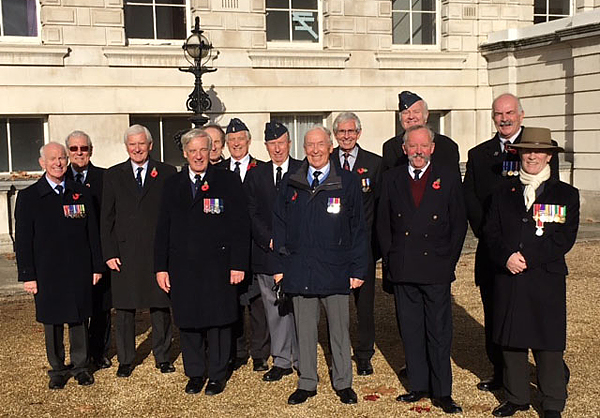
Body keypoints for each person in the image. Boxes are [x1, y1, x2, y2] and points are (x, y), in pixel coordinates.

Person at [463, 93, 560, 392]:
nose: (504, 119)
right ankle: (501, 373)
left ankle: (550, 372)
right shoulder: (479, 155)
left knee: (537, 314)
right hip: (495, 253)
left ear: (521, 114)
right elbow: (472, 202)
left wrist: (526, 249)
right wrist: (496, 244)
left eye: (509, 113)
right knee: (496, 314)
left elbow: (549, 200)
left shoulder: (537, 149)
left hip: (533, 255)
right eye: (498, 114)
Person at [483, 127, 578, 418]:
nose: (532, 156)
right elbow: (491, 233)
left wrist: (528, 257)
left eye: (538, 151)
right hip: (509, 275)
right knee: (512, 340)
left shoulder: (565, 194)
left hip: (544, 277)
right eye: (527, 151)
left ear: (549, 156)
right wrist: (506, 257)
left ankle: (551, 402)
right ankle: (517, 397)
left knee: (547, 342)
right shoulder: (502, 192)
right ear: (519, 154)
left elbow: (564, 237)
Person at [273, 126, 368, 405]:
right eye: (309, 145)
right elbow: (279, 224)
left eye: (320, 145)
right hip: (300, 269)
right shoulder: (291, 182)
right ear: (304, 149)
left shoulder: (348, 182)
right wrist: (280, 265)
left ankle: (343, 383)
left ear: (330, 147)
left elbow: (358, 228)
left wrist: (358, 270)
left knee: (339, 331)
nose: (315, 150)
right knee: (304, 332)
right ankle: (307, 382)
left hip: (336, 269)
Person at [377, 125, 466, 414]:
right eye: (412, 146)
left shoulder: (449, 178)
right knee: (411, 330)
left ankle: (442, 392)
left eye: (423, 146)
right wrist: (391, 260)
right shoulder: (391, 178)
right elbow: (384, 224)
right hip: (403, 267)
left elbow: (458, 225)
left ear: (432, 148)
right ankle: (418, 386)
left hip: (436, 267)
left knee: (439, 332)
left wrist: (448, 260)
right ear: (404, 150)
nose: (417, 151)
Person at [155, 128, 250, 396]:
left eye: (203, 150)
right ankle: (195, 373)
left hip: (218, 266)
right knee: (189, 320)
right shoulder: (172, 184)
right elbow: (162, 228)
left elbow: (240, 226)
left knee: (219, 321)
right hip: (183, 266)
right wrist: (160, 267)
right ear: (184, 153)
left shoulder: (228, 181)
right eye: (193, 151)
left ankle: (218, 375)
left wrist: (238, 264)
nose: (198, 156)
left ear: (211, 151)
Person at [16, 142, 103, 389]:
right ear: (42, 163)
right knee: (52, 322)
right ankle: (57, 368)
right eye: (53, 159)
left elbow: (92, 233)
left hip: (78, 269)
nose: (58, 163)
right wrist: (28, 275)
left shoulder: (80, 192)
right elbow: (23, 240)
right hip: (46, 273)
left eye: (62, 158)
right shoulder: (30, 196)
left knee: (78, 319)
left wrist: (97, 266)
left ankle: (81, 366)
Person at [100, 124, 177, 378]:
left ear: (150, 145)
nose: (137, 149)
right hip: (125, 253)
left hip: (157, 251)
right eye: (132, 144)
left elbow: (172, 216)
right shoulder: (113, 175)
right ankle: (125, 359)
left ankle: (163, 356)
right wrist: (109, 252)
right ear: (126, 147)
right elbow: (106, 218)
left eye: (141, 144)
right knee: (124, 309)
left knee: (160, 307)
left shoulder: (166, 173)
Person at [244, 121, 302, 382]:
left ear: (289, 144)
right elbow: (251, 212)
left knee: (300, 307)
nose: (277, 149)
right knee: (274, 308)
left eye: (281, 143)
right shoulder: (256, 174)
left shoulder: (303, 170)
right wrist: (269, 239)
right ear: (265, 146)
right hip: (267, 252)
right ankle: (280, 360)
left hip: (298, 252)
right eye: (272, 144)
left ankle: (302, 358)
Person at [331, 112, 382, 375]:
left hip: (363, 247)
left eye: (351, 131)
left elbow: (381, 208)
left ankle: (364, 354)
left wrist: (377, 247)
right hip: (334, 247)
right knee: (336, 303)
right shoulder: (326, 162)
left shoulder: (374, 164)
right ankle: (337, 351)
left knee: (364, 305)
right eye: (341, 132)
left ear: (359, 133)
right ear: (335, 135)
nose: (346, 136)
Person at [218, 118, 270, 372]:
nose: (236, 144)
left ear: (249, 141)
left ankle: (260, 353)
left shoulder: (261, 169)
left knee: (258, 304)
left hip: (256, 246)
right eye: (231, 140)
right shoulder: (220, 172)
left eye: (240, 139)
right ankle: (237, 351)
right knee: (234, 303)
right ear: (226, 144)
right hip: (229, 249)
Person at [64, 130, 111, 370]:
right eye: (74, 149)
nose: (79, 153)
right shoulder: (60, 179)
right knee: (78, 306)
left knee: (101, 306)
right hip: (73, 256)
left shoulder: (105, 177)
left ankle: (99, 352)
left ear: (90, 151)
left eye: (83, 148)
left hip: (100, 250)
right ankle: (80, 354)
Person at [381, 91, 460, 174]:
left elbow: (453, 182)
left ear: (426, 115)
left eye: (416, 112)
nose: (411, 117)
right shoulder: (390, 147)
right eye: (406, 113)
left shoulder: (447, 146)